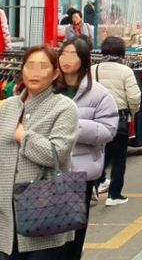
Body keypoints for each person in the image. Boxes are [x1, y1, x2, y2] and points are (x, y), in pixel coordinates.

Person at [0, 46, 79, 259]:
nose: (35, 72)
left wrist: (23, 137)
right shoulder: (7, 107)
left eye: (43, 67)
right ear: (22, 70)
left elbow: (57, 153)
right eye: (30, 66)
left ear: (55, 74)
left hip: (42, 212)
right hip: (4, 217)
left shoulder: (64, 108)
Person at [57, 38, 119, 258]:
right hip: (48, 169)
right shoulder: (48, 88)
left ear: (83, 59)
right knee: (47, 228)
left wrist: (72, 126)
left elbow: (108, 130)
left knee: (74, 232)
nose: (66, 59)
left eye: (72, 54)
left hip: (80, 173)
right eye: (63, 53)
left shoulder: (98, 93)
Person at [92, 36, 141, 206]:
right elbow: (134, 97)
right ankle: (114, 195)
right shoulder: (125, 71)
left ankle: (94, 185)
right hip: (119, 118)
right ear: (122, 52)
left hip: (97, 120)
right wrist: (133, 112)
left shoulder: (93, 69)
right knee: (119, 157)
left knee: (99, 154)